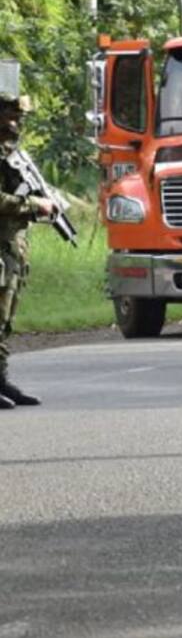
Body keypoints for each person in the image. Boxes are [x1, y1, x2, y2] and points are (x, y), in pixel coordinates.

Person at [0, 92, 54, 408]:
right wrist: (33, 204)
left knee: (6, 320)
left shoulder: (11, 154)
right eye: (12, 115)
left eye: (21, 116)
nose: (18, 121)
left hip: (12, 249)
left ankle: (2, 380)